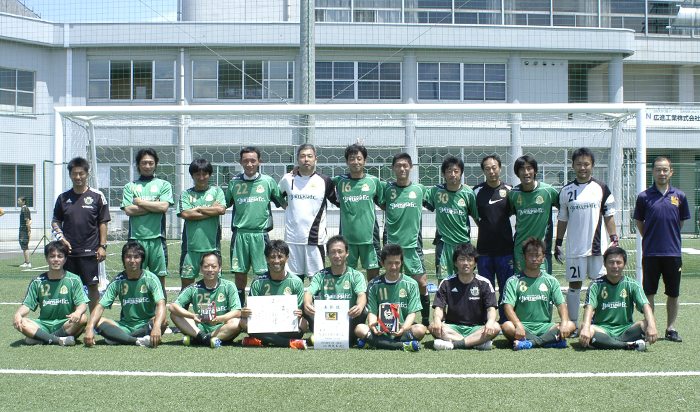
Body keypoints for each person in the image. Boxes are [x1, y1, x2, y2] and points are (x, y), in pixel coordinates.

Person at [555, 148, 618, 334]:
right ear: (573, 166)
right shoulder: (566, 191)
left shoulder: (601, 188)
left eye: (586, 164)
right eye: (579, 164)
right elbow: (562, 219)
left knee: (600, 284)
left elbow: (609, 215)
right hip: (575, 248)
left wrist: (614, 238)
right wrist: (558, 242)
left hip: (598, 249)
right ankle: (574, 324)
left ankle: (598, 322)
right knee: (574, 285)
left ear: (593, 166)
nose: (583, 168)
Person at [634, 156, 690, 343]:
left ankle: (671, 328)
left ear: (671, 172)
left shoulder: (680, 196)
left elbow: (680, 223)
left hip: (673, 253)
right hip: (651, 252)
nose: (662, 173)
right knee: (649, 292)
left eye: (665, 169)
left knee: (673, 292)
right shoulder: (644, 197)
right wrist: (651, 237)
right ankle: (650, 327)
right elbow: (640, 223)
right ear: (652, 172)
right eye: (658, 169)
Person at [226, 147, 285, 307]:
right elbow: (224, 205)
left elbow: (283, 203)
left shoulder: (268, 182)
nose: (249, 164)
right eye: (246, 161)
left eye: (253, 160)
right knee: (240, 274)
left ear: (259, 161)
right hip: (240, 234)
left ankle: (263, 307)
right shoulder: (234, 183)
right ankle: (239, 308)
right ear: (240, 162)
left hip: (260, 234)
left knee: (263, 274)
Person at [52, 156, 111, 313]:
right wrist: (61, 238)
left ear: (87, 174)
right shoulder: (63, 198)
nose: (78, 177)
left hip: (90, 251)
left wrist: (102, 246)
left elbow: (103, 223)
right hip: (68, 252)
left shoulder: (97, 196)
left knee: (92, 287)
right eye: (74, 173)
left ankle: (94, 322)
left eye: (81, 173)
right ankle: (72, 322)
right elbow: (56, 221)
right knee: (69, 287)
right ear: (70, 175)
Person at [379, 152, 431, 327]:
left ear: (411, 168)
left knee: (421, 283)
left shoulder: (420, 189)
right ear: (393, 168)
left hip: (412, 245)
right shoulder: (386, 189)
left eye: (405, 165)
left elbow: (438, 195)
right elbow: (369, 185)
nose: (402, 168)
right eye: (398, 165)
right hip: (392, 245)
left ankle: (425, 321)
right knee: (393, 282)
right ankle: (392, 319)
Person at [84, 241, 167, 347]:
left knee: (162, 322)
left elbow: (161, 304)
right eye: (128, 257)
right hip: (125, 326)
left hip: (146, 323)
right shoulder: (118, 281)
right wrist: (90, 327)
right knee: (97, 322)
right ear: (123, 259)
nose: (132, 261)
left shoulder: (151, 279)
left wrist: (156, 327)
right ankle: (136, 340)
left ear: (142, 259)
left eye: (136, 257)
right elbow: (100, 307)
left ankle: (118, 337)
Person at [502, 237, 575, 350]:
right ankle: (549, 341)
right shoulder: (513, 281)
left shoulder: (551, 281)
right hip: (523, 327)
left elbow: (561, 305)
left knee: (571, 325)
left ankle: (531, 343)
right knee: (507, 326)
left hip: (545, 327)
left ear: (543, 258)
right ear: (524, 257)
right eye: (530, 255)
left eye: (538, 255)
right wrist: (518, 324)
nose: (534, 259)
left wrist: (564, 323)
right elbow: (508, 307)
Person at [579, 246, 658, 351]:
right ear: (604, 263)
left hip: (625, 328)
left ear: (624, 264)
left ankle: (606, 343)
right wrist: (585, 327)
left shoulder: (632, 284)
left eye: (618, 262)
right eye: (611, 262)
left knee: (647, 324)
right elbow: (589, 307)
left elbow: (646, 306)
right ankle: (627, 345)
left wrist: (652, 325)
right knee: (584, 329)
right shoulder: (596, 285)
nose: (615, 266)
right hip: (602, 329)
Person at [279, 144, 336, 282]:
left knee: (316, 279)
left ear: (316, 159)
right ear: (297, 159)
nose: (306, 159)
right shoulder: (287, 179)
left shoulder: (325, 181)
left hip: (315, 240)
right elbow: (276, 195)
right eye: (302, 156)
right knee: (293, 280)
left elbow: (339, 200)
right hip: (292, 239)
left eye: (310, 156)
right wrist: (283, 204)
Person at [13, 241, 89, 346]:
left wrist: (78, 312)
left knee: (83, 318)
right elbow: (27, 305)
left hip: (65, 323)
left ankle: (42, 338)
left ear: (65, 259)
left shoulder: (74, 279)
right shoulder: (37, 281)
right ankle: (58, 340)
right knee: (23, 322)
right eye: (52, 256)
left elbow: (82, 304)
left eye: (60, 256)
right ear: (46, 258)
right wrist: (18, 314)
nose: (56, 259)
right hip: (43, 324)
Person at [121, 148, 174, 298]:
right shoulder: (130, 186)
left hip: (157, 239)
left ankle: (160, 312)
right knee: (135, 279)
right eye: (144, 163)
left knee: (159, 282)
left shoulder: (164, 185)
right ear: (138, 164)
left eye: (151, 163)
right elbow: (129, 210)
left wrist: (139, 202)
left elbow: (163, 207)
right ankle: (135, 311)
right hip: (136, 239)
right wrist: (153, 206)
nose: (147, 166)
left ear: (156, 164)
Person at [354, 243, 426, 351]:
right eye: (389, 263)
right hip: (381, 330)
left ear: (402, 262)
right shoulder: (374, 284)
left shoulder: (411, 284)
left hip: (402, 329)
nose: (393, 267)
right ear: (382, 263)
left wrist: (403, 328)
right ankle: (403, 345)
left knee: (420, 329)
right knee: (359, 329)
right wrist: (373, 325)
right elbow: (372, 312)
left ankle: (376, 343)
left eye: (397, 263)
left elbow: (412, 313)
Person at [239, 240, 309, 349]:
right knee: (243, 322)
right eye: (272, 257)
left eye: (280, 257)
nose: (276, 261)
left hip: (285, 325)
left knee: (304, 323)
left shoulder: (296, 282)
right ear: (267, 259)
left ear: (287, 258)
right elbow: (249, 309)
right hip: (263, 324)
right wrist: (245, 312)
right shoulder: (258, 282)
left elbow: (299, 310)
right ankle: (289, 342)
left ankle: (261, 340)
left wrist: (299, 313)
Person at [430, 243, 500, 350]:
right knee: (433, 326)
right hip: (453, 327)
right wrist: (436, 320)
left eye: (469, 260)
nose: (466, 263)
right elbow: (439, 308)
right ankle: (475, 343)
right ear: (455, 263)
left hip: (476, 328)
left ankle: (454, 344)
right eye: (462, 259)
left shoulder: (484, 283)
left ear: (475, 263)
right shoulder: (446, 283)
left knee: (496, 327)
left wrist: (490, 322)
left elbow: (491, 309)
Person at [331, 143, 383, 281]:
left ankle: (371, 296)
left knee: (373, 279)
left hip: (370, 239)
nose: (356, 162)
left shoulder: (374, 181)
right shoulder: (339, 181)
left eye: (359, 158)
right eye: (352, 158)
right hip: (347, 239)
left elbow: (385, 202)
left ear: (365, 161)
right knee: (347, 277)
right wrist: (296, 170)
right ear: (346, 161)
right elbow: (318, 180)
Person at [169, 252, 242, 348]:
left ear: (220, 268)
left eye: (213, 266)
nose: (210, 270)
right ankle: (206, 338)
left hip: (221, 327)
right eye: (206, 266)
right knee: (175, 315)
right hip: (199, 327)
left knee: (236, 323)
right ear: (201, 268)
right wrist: (192, 315)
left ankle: (199, 339)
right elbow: (172, 306)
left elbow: (237, 311)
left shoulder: (229, 286)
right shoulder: (194, 288)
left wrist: (219, 319)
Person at [303, 235, 367, 343]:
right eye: (333, 252)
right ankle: (343, 339)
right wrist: (307, 304)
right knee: (304, 306)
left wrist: (359, 306)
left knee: (364, 310)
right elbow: (309, 293)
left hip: (348, 320)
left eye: (340, 252)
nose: (337, 255)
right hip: (326, 321)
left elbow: (362, 295)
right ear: (327, 254)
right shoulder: (320, 275)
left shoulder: (356, 275)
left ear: (347, 253)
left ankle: (340, 337)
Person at [472, 154, 513, 323]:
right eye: (487, 168)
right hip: (484, 251)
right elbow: (475, 215)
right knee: (486, 288)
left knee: (506, 287)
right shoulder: (476, 191)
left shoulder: (510, 190)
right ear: (483, 171)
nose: (491, 171)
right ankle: (487, 320)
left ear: (500, 169)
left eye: (494, 167)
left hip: (506, 249)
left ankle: (505, 320)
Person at [424, 156, 479, 283]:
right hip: (444, 243)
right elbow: (419, 197)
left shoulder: (468, 193)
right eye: (449, 171)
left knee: (465, 279)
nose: (452, 174)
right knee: (443, 281)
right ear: (443, 174)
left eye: (456, 171)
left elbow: (476, 217)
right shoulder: (436, 191)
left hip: (463, 243)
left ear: (461, 173)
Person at [177, 158, 226, 290]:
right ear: (192, 175)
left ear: (209, 175)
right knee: (186, 285)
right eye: (197, 174)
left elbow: (221, 210)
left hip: (212, 247)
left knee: (215, 285)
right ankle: (186, 304)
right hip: (190, 248)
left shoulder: (217, 192)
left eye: (204, 174)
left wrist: (198, 209)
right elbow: (186, 214)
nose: (201, 177)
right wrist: (211, 210)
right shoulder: (186, 194)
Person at [508, 155, 559, 274]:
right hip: (520, 249)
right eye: (522, 169)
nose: (526, 172)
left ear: (535, 170)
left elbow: (564, 209)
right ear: (517, 173)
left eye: (529, 168)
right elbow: (505, 215)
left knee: (543, 282)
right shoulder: (513, 194)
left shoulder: (548, 191)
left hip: (542, 249)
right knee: (521, 281)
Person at [18, 196, 32, 268]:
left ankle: (27, 262)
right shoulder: (23, 209)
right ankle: (26, 261)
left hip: (24, 230)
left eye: (19, 201)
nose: (18, 202)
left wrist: (28, 230)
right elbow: (30, 220)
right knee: (23, 245)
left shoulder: (25, 209)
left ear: (23, 202)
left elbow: (27, 221)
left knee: (24, 245)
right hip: (23, 229)